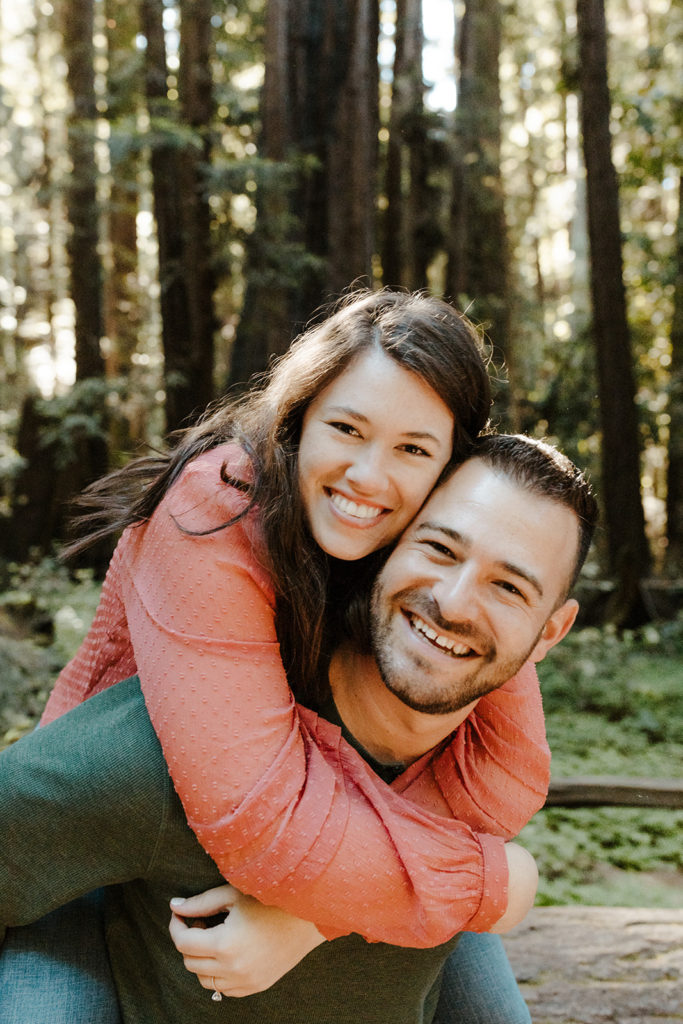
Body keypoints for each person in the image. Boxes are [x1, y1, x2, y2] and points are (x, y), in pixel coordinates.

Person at [1, 290, 547, 1021]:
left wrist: (314, 921)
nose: (367, 476)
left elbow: (505, 773)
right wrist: (490, 883)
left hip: (360, 849)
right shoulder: (216, 504)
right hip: (116, 835)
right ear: (297, 420)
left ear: (454, 470)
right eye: (346, 428)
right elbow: (264, 824)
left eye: (414, 449)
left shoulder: (444, 562)